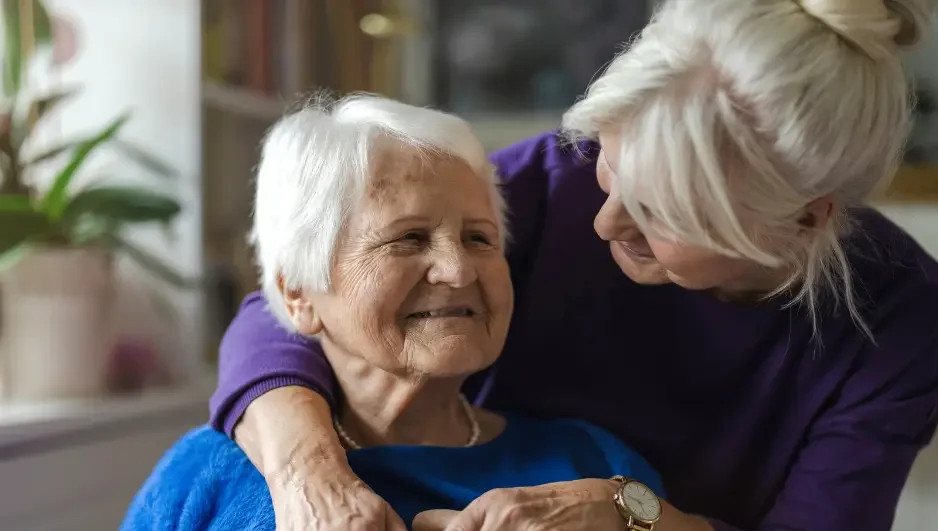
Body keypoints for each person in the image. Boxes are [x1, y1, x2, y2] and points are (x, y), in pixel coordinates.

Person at [210, 0, 938, 530]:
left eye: (662, 214)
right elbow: (295, 302)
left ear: (807, 218)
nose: (603, 223)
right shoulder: (553, 180)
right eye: (613, 171)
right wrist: (310, 475)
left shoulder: (899, 316)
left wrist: (633, 515)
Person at [121, 95, 667, 531]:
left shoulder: (595, 468)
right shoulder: (209, 475)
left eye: (480, 238)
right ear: (298, 295)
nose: (458, 270)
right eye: (407, 239)